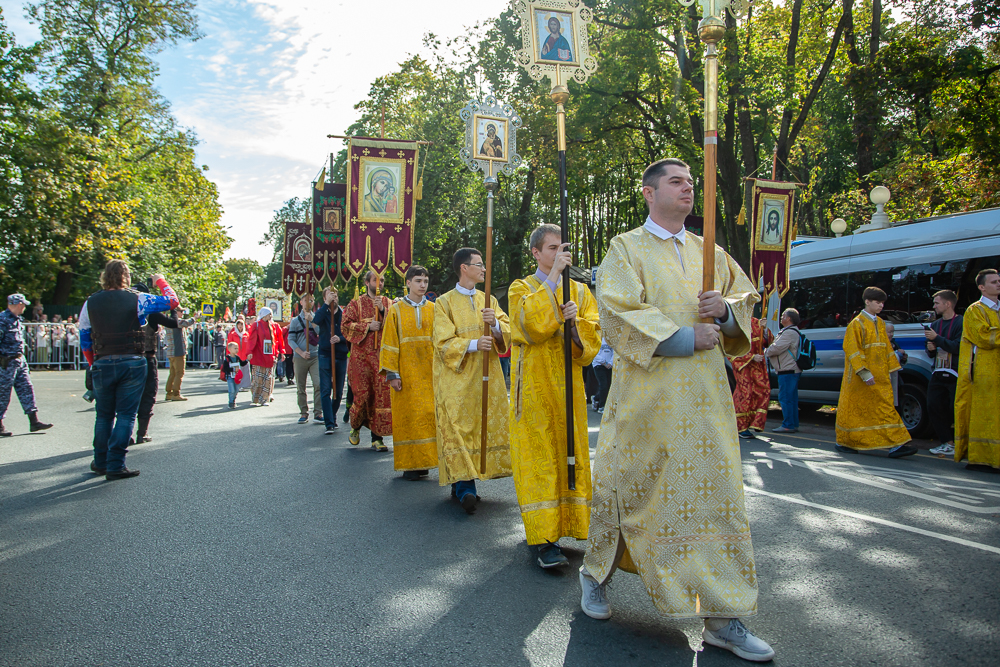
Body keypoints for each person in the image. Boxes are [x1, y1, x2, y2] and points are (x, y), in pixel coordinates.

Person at [579, 158, 774, 662]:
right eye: (676, 182)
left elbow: (744, 299)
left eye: (691, 183)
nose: (688, 189)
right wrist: (687, 335)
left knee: (716, 502)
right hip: (646, 401)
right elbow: (619, 311)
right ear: (648, 192)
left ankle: (722, 617)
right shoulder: (627, 247)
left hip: (706, 402)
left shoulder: (709, 251)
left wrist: (727, 312)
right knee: (634, 492)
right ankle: (595, 576)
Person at [508, 224, 601, 568]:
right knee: (539, 459)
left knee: (569, 455)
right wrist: (554, 282)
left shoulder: (578, 290)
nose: (561, 254)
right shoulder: (522, 287)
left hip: (569, 390)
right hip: (534, 388)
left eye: (563, 248)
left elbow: (590, 344)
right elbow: (529, 325)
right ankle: (543, 538)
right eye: (552, 249)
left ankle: (573, 524)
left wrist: (575, 325)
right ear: (535, 252)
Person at [79, 261, 179, 480]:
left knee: (103, 415)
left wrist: (92, 362)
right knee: (125, 414)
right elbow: (172, 302)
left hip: (102, 361)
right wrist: (161, 280)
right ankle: (116, 464)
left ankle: (101, 460)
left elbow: (85, 339)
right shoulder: (137, 298)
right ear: (126, 276)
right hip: (132, 360)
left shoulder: (90, 302)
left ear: (105, 276)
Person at [433, 247, 513, 515]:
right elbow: (442, 343)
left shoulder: (488, 300)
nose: (484, 270)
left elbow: (507, 332)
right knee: (458, 430)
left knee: (481, 428)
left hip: (485, 379)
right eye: (479, 265)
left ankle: (462, 485)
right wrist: (474, 344)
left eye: (484, 265)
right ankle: (466, 488)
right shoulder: (444, 302)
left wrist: (497, 325)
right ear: (464, 268)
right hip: (456, 380)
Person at [834, 287, 915, 458]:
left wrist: (892, 368)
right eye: (878, 302)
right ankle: (847, 441)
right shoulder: (856, 324)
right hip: (860, 379)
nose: (881, 306)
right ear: (867, 302)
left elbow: (886, 348)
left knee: (884, 407)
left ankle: (896, 444)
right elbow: (852, 350)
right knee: (855, 410)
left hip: (881, 376)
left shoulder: (881, 323)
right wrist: (864, 373)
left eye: (882, 303)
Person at [380, 265, 438, 480]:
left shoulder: (434, 308)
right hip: (406, 372)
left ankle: (428, 461)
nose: (422, 285)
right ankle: (410, 464)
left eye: (425, 281)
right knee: (409, 418)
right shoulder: (395, 310)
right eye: (418, 281)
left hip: (430, 371)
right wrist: (392, 373)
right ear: (408, 283)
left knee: (429, 416)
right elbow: (389, 342)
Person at [342, 270, 393, 451]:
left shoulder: (388, 303)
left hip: (381, 359)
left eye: (382, 281)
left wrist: (382, 310)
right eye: (375, 280)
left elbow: (396, 325)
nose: (379, 284)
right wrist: (367, 327)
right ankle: (355, 427)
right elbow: (345, 326)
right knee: (363, 396)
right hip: (361, 359)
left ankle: (376, 438)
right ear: (366, 282)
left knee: (380, 396)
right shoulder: (356, 304)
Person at [954, 269, 1000, 471]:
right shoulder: (975, 310)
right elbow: (985, 338)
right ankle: (982, 457)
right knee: (986, 413)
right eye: (994, 282)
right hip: (984, 371)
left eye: (999, 281)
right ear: (982, 287)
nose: (998, 284)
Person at [133, 282, 190, 443]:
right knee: (148, 394)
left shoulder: (123, 309)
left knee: (127, 396)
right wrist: (173, 310)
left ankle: (126, 433)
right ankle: (142, 432)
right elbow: (173, 323)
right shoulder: (150, 311)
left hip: (128, 356)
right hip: (146, 357)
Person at [0, 294, 53, 437]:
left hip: (19, 361)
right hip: (6, 362)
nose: (24, 307)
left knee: (27, 388)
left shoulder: (17, 320)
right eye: (23, 304)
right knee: (3, 394)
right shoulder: (2, 320)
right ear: (18, 304)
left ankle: (34, 421)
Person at [924, 290, 963, 457]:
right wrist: (930, 348)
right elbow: (931, 350)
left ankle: (961, 443)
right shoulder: (935, 324)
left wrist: (937, 339)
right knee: (934, 406)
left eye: (937, 303)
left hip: (956, 372)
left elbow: (957, 347)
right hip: (938, 371)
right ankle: (946, 442)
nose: (934, 306)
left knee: (955, 408)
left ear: (948, 304)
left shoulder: (961, 322)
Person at [732, 311, 774, 439]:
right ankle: (740, 427)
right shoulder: (735, 323)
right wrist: (751, 357)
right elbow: (731, 349)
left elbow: (768, 342)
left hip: (757, 365)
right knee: (746, 393)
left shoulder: (756, 322)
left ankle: (754, 423)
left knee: (762, 391)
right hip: (743, 365)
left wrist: (764, 329)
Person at [314, 287, 349, 434]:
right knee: (325, 389)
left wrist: (339, 338)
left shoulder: (344, 313)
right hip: (325, 354)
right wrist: (326, 305)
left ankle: (333, 415)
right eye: (329, 295)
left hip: (340, 354)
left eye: (334, 295)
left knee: (339, 391)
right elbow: (316, 321)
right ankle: (328, 423)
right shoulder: (323, 312)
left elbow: (349, 333)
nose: (333, 297)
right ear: (324, 298)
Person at [765, 309, 802, 434]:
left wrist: (766, 352)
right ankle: (793, 423)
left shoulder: (789, 333)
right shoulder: (790, 331)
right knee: (791, 399)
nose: (781, 317)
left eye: (783, 316)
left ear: (789, 319)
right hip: (790, 369)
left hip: (788, 369)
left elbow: (777, 348)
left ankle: (788, 425)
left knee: (785, 398)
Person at [288, 294, 323, 424]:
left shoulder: (316, 318)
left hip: (315, 356)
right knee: (300, 386)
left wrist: (313, 322)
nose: (309, 302)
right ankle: (303, 412)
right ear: (301, 302)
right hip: (300, 357)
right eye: (306, 300)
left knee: (318, 384)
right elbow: (291, 340)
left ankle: (318, 413)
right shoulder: (295, 321)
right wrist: (301, 353)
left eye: (312, 300)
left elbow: (321, 332)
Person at [245, 306, 282, 406]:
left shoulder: (272, 326)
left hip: (269, 356)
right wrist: (249, 352)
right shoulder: (256, 325)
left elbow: (275, 341)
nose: (271, 316)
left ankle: (264, 399)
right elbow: (252, 340)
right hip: (258, 356)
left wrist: (277, 354)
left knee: (268, 379)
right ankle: (256, 399)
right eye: (269, 314)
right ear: (265, 315)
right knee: (258, 378)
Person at [164, 308, 191, 401]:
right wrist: (195, 317)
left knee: (172, 373)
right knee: (179, 373)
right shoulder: (176, 321)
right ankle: (176, 393)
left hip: (171, 351)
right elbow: (187, 323)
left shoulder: (168, 321)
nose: (183, 313)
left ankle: (169, 393)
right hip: (178, 352)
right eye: (181, 311)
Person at [883, 322, 908, 406]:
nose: (891, 335)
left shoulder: (894, 344)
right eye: (889, 332)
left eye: (892, 332)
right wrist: (898, 355)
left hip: (896, 378)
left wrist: (903, 358)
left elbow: (899, 363)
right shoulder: (880, 345)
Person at [221, 341, 246, 409]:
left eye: (237, 348)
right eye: (235, 348)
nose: (237, 350)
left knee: (236, 389)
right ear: (229, 349)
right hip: (230, 376)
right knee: (231, 390)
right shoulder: (227, 359)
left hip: (237, 377)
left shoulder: (237, 357)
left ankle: (234, 399)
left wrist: (247, 360)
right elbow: (225, 368)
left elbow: (242, 364)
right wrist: (233, 370)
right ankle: (231, 402)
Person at [591, 337, 613, 413]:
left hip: (609, 365)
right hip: (598, 365)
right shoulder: (598, 339)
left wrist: (610, 362)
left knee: (609, 386)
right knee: (603, 385)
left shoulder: (612, 340)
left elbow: (614, 352)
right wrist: (604, 362)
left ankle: (596, 398)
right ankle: (601, 406)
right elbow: (594, 352)